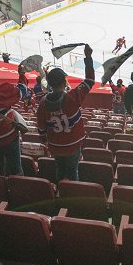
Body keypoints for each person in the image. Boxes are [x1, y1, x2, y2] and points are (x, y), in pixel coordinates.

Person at [36, 45, 94, 181]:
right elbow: (90, 81)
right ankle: (72, 193)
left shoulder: (43, 103)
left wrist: (47, 140)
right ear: (64, 82)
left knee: (60, 169)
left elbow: (41, 129)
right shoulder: (72, 97)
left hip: (55, 146)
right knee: (73, 171)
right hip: (73, 145)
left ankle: (61, 191)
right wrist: (88, 57)